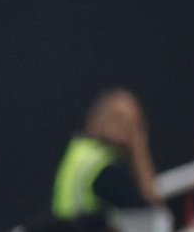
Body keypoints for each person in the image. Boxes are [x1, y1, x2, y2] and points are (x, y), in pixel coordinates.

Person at [52, 89, 162, 218]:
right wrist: (139, 150)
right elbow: (150, 216)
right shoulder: (104, 169)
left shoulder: (78, 152)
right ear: (95, 118)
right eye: (119, 119)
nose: (125, 127)